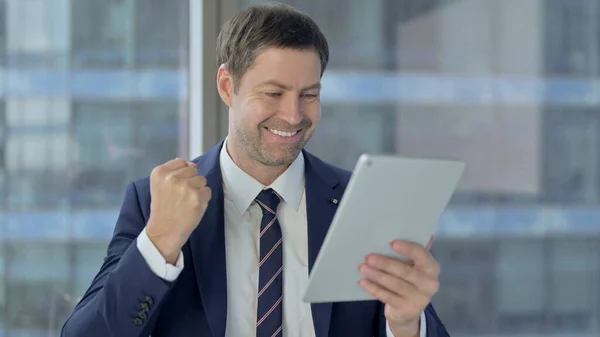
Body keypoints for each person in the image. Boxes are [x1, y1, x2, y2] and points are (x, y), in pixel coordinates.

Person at [61, 2, 449, 337]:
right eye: (273, 93)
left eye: (309, 95)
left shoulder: (362, 202)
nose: (293, 115)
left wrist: (406, 323)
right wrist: (160, 242)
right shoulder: (154, 201)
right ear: (228, 86)